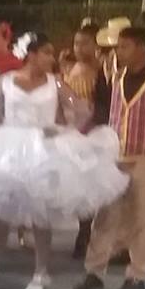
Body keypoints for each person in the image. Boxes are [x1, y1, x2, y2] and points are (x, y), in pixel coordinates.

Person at [0, 33, 126, 289]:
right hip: (9, 146)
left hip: (42, 148)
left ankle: (41, 272)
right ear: (31, 55)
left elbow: (82, 109)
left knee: (41, 213)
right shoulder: (7, 81)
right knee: (1, 212)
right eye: (46, 53)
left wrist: (64, 129)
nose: (51, 58)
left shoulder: (55, 83)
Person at [77, 25, 145, 289]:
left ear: (142, 49)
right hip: (116, 156)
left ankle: (137, 275)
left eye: (125, 47)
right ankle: (94, 271)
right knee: (105, 216)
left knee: (142, 218)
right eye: (118, 47)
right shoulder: (116, 78)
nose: (119, 52)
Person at [63, 21, 106, 260]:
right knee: (81, 187)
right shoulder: (72, 70)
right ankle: (84, 231)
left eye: (84, 43)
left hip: (95, 132)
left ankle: (92, 234)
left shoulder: (103, 70)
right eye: (76, 43)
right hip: (74, 133)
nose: (79, 48)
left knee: (96, 185)